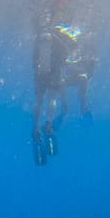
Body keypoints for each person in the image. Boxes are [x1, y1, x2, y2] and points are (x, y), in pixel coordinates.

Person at [30, 22, 80, 165]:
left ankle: (35, 127)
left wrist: (37, 73)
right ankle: (48, 124)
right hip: (54, 73)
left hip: (41, 74)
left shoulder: (40, 39)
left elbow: (34, 60)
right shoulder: (61, 38)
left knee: (39, 100)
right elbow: (65, 57)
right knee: (52, 98)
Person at [60, 28, 97, 122]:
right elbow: (64, 64)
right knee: (62, 82)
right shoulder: (69, 48)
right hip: (70, 76)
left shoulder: (89, 51)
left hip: (81, 76)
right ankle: (64, 105)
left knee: (83, 78)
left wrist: (81, 71)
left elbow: (91, 69)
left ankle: (83, 107)